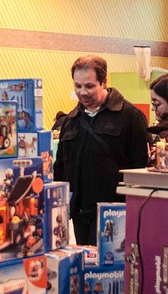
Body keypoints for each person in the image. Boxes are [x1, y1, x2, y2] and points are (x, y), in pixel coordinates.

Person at [54, 55, 150, 245]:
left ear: (104, 82)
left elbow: (140, 168)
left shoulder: (131, 116)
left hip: (114, 214)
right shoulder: (71, 120)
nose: (82, 92)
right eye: (78, 86)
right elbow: (61, 166)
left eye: (89, 86)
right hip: (79, 214)